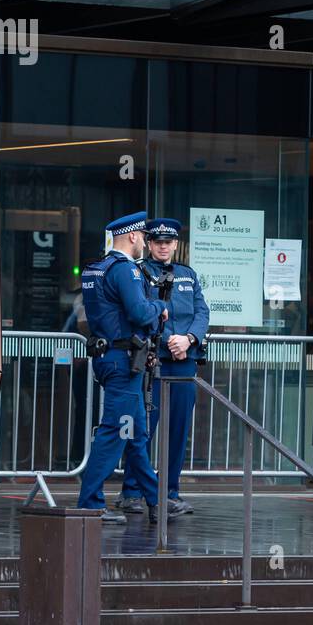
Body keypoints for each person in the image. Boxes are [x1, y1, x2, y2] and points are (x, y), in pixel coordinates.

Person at [114, 217, 209, 517]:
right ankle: (131, 492)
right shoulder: (138, 272)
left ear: (176, 245)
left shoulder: (188, 275)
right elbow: (140, 313)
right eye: (157, 242)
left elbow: (202, 311)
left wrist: (190, 339)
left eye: (169, 242)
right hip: (154, 361)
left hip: (185, 362)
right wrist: (171, 341)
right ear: (149, 243)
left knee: (178, 430)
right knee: (143, 429)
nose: (164, 246)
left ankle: (169, 492)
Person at [76, 212, 167, 523]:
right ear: (132, 237)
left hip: (109, 359)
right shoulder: (125, 270)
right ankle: (89, 504)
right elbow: (140, 313)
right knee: (115, 432)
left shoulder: (95, 269)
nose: (144, 242)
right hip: (123, 362)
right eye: (143, 236)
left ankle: (156, 500)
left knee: (136, 433)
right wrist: (161, 307)